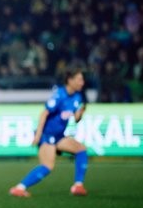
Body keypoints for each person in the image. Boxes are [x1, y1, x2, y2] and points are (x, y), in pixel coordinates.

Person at [9, 65, 89, 197]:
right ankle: (19, 188)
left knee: (81, 150)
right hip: (47, 136)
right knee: (47, 166)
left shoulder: (77, 97)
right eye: (79, 79)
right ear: (70, 80)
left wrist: (81, 112)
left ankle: (78, 186)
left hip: (59, 136)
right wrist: (38, 135)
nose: (82, 82)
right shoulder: (59, 95)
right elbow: (44, 114)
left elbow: (75, 119)